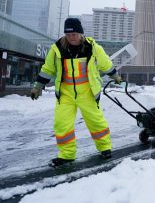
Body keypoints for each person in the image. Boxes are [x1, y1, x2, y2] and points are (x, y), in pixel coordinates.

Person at [30, 18, 122, 167]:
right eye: (68, 34)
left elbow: (105, 64)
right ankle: (67, 155)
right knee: (62, 124)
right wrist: (37, 86)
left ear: (81, 33)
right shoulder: (57, 48)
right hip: (66, 94)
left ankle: (105, 148)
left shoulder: (92, 48)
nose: (71, 37)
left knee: (96, 122)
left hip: (88, 93)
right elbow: (48, 69)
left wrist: (115, 76)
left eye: (74, 34)